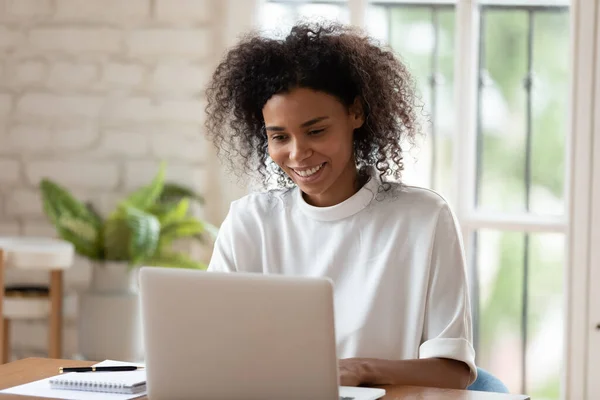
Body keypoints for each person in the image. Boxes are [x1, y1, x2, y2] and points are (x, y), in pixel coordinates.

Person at [204, 22, 477, 389]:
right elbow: (208, 349)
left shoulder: (423, 218)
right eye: (280, 137)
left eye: (316, 131)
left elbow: (453, 371)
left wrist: (361, 370)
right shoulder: (250, 221)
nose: (298, 154)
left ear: (357, 114)